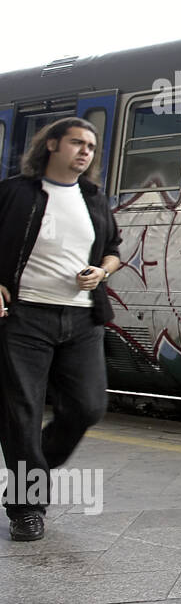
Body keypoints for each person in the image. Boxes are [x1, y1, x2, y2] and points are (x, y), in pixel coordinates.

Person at [0, 118, 122, 541]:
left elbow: (114, 251)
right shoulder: (15, 192)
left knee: (87, 407)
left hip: (81, 319)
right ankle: (26, 507)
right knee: (21, 416)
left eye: (91, 146)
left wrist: (101, 271)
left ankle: (30, 470)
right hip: (23, 317)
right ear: (52, 144)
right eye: (76, 142)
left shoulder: (93, 198)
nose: (85, 151)